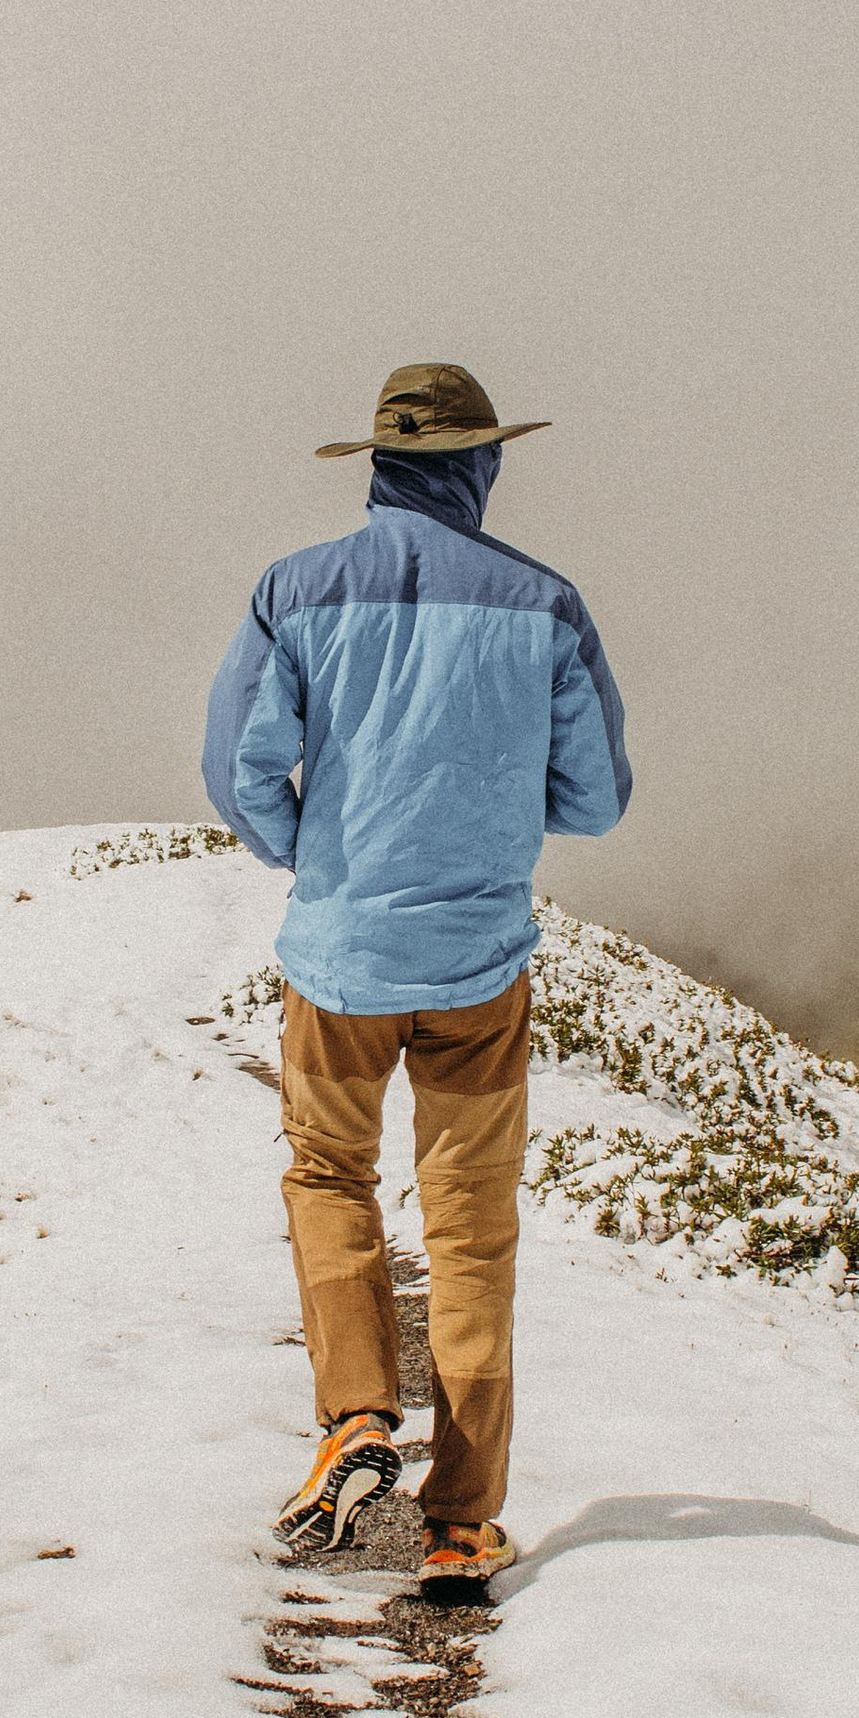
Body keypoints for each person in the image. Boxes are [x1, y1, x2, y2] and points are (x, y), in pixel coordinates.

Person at [202, 360, 632, 1593]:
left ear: (381, 463)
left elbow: (239, 766)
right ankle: (459, 1522)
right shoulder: (547, 606)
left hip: (339, 961)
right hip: (479, 968)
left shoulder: (295, 589)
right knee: (470, 1234)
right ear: (479, 464)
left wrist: (318, 859)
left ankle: (354, 1414)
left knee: (329, 1172)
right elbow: (596, 798)